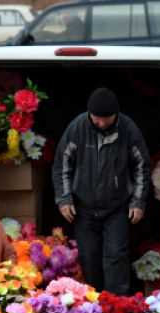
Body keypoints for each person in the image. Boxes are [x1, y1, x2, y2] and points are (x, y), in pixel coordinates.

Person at [52, 87, 150, 294]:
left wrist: (138, 202)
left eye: (107, 118)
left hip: (117, 208)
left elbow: (142, 167)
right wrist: (64, 199)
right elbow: (62, 165)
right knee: (89, 257)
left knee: (116, 256)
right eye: (97, 118)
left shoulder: (128, 129)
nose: (102, 123)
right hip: (83, 208)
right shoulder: (77, 128)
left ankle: (117, 309)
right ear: (89, 113)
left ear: (116, 114)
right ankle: (91, 308)